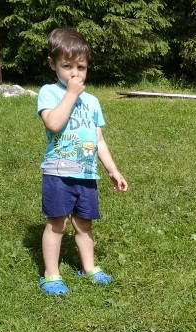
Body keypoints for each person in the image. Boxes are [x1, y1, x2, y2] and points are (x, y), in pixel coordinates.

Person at [37, 27, 128, 296]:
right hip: (58, 172)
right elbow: (53, 124)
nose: (75, 74)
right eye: (67, 66)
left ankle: (89, 267)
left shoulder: (92, 102)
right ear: (52, 64)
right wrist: (71, 94)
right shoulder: (50, 93)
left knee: (84, 223)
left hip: (87, 174)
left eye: (81, 67)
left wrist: (113, 170)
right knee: (58, 223)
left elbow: (99, 140)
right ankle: (51, 274)